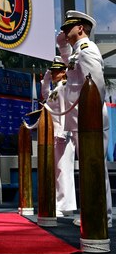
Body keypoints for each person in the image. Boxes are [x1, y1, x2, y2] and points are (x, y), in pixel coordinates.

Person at [57, 10, 112, 227]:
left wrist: (91, 119)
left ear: (80, 28)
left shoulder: (87, 50)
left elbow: (96, 86)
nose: (64, 31)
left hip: (91, 119)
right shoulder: (76, 51)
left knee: (95, 166)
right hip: (82, 120)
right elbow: (69, 69)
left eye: (67, 28)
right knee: (89, 167)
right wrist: (61, 44)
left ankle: (101, 216)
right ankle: (93, 211)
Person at [41, 56, 77, 217]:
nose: (54, 73)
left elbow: (65, 110)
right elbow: (45, 95)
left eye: (57, 71)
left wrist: (64, 132)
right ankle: (63, 204)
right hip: (54, 133)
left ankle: (65, 205)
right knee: (58, 170)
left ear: (64, 72)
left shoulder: (64, 87)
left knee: (64, 169)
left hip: (62, 133)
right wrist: (47, 76)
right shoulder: (56, 89)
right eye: (53, 71)